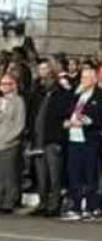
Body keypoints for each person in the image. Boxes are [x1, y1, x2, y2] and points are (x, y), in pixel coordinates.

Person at [62, 66, 102, 220]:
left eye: (87, 78)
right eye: (82, 78)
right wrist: (67, 122)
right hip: (74, 137)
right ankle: (76, 206)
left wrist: (89, 121)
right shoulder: (77, 96)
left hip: (89, 140)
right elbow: (67, 112)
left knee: (90, 173)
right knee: (74, 172)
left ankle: (91, 206)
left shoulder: (101, 97)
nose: (84, 80)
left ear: (94, 79)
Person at [29, 63, 72, 218]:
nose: (44, 82)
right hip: (38, 139)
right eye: (43, 79)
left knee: (54, 175)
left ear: (54, 79)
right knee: (41, 175)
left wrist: (61, 139)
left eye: (47, 79)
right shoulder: (38, 94)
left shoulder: (63, 95)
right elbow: (33, 115)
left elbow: (65, 118)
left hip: (53, 140)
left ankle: (54, 205)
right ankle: (42, 203)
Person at [0, 74, 26, 212]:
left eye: (7, 84)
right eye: (2, 83)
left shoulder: (18, 101)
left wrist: (7, 139)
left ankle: (9, 201)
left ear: (13, 85)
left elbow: (19, 124)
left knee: (9, 174)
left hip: (10, 143)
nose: (4, 86)